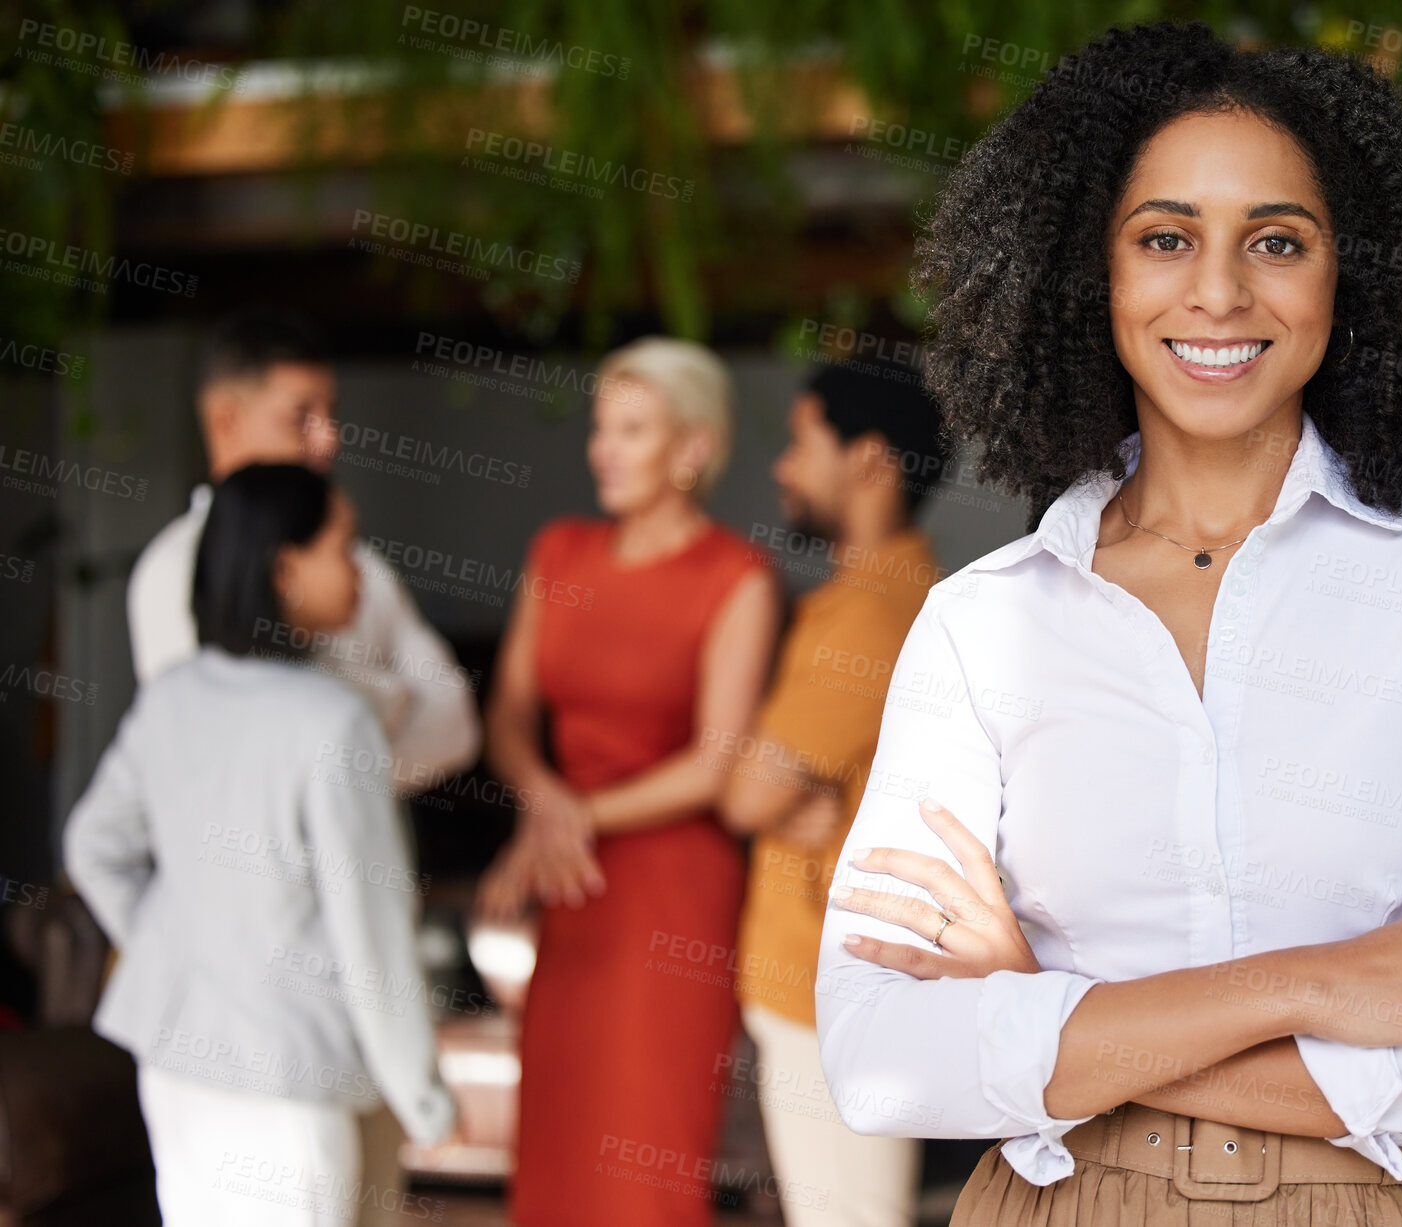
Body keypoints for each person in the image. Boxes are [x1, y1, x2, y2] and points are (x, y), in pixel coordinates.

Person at [814, 21, 1402, 1226]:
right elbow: (879, 1059)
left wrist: (1042, 1010)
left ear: (1354, 270)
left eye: (1275, 241)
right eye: (1163, 238)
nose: (1218, 292)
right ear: (1089, 273)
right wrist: (1321, 984)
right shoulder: (981, 622)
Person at [64, 464, 457, 1227]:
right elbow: (370, 939)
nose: (358, 573)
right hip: (285, 1083)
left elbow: (94, 843)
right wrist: (426, 1098)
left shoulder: (174, 695)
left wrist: (168, 945)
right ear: (284, 568)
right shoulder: (333, 724)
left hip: (175, 1063)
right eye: (343, 547)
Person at [474, 337, 781, 1227]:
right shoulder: (559, 553)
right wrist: (542, 797)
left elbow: (716, 761)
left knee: (650, 1161)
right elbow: (508, 712)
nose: (601, 448)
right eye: (602, 426)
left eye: (632, 428)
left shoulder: (736, 578)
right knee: (560, 1150)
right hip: (572, 891)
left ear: (692, 448)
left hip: (671, 903)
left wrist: (566, 816)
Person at [718, 354, 946, 1227]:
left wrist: (804, 802)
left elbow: (744, 795)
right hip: (834, 980)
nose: (782, 464)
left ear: (869, 460)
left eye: (799, 440)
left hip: (832, 985)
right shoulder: (891, 597)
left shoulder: (870, 617)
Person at [126, 305, 481, 791]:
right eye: (302, 416)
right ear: (225, 422)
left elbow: (453, 722)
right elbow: (219, 751)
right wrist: (390, 697)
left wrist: (327, 758)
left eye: (333, 414)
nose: (329, 439)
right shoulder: (176, 569)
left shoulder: (363, 568)